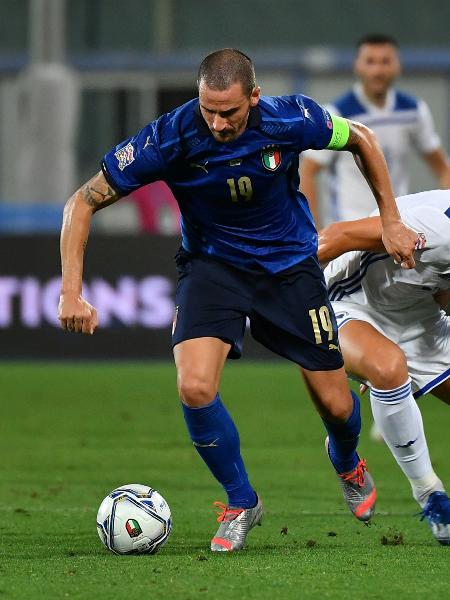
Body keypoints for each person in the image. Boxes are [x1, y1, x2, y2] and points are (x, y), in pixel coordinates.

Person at [58, 49, 417, 552]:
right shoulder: (169, 137)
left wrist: (392, 221)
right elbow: (83, 201)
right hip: (212, 268)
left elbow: (361, 139)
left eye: (229, 111)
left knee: (337, 404)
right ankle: (241, 500)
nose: (218, 122)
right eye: (208, 109)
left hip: (290, 269)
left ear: (254, 97)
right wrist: (71, 292)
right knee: (195, 386)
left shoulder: (291, 118)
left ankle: (345, 457)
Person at [318, 189, 450, 545]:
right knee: (388, 366)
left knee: (388, 367)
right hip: (349, 302)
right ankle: (431, 496)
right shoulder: (434, 226)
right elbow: (335, 237)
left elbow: (444, 292)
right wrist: (284, 297)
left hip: (419, 315)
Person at [300, 33, 450, 227]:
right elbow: (308, 171)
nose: (378, 70)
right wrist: (315, 232)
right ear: (357, 65)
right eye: (370, 61)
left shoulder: (413, 111)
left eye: (385, 61)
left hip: (398, 228)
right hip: (351, 231)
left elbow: (442, 168)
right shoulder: (336, 115)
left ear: (398, 66)